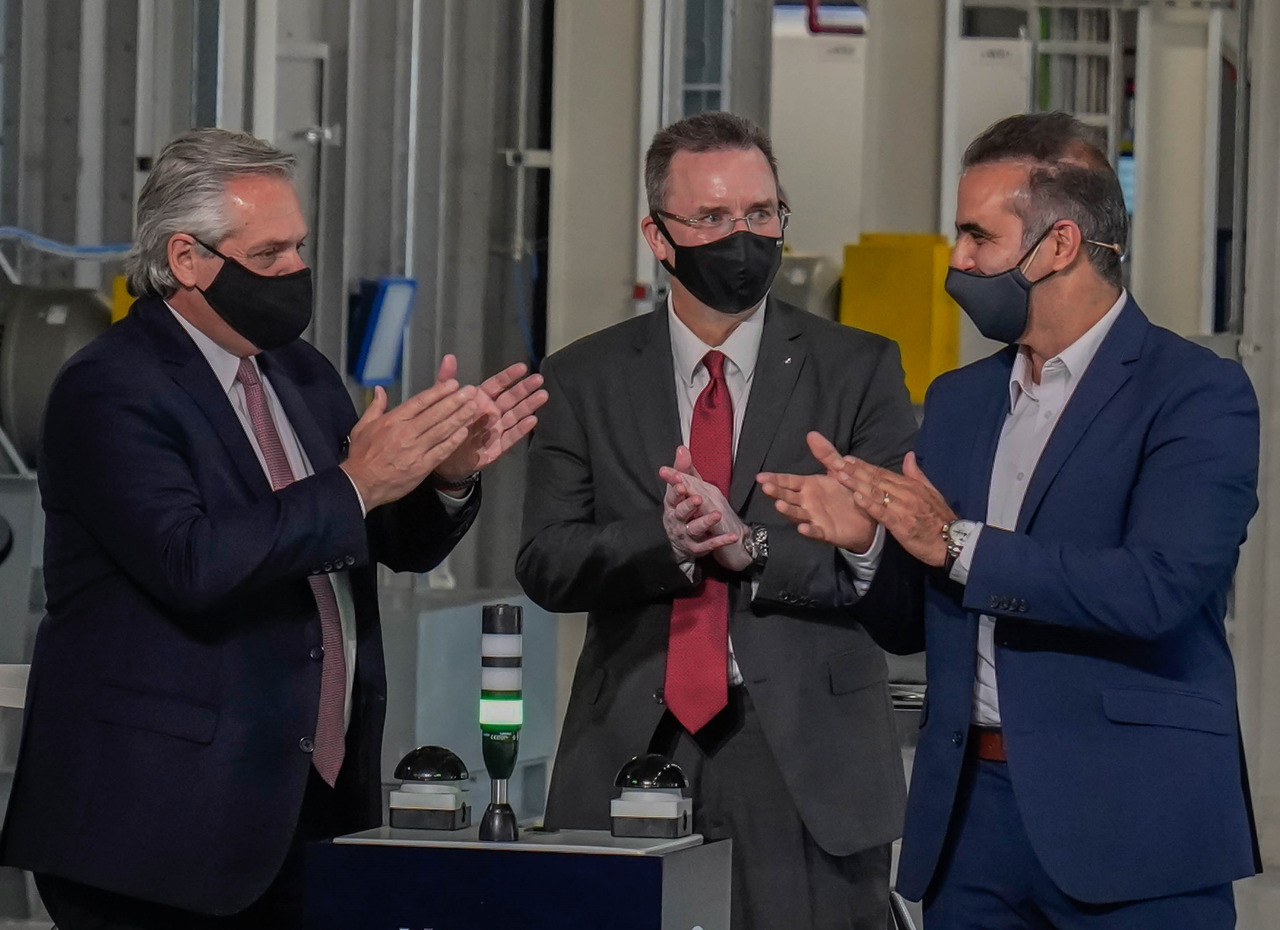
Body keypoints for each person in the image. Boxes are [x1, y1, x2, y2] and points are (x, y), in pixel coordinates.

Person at [0, 128, 546, 928]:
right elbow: (192, 563)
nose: (295, 270)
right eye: (268, 254)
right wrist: (358, 481)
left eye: (299, 247)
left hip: (305, 805)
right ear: (186, 259)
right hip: (159, 831)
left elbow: (379, 539)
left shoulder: (299, 372)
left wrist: (446, 475)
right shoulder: (110, 387)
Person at [759, 111, 1262, 929]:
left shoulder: (1196, 392)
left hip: (1133, 822)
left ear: (1058, 245)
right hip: (972, 827)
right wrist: (869, 545)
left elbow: (1157, 590)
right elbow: (920, 619)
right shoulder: (960, 401)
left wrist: (954, 543)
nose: (957, 261)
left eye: (977, 236)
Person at [516, 111, 917, 930]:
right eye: (712, 217)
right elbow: (546, 559)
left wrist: (753, 547)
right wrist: (663, 543)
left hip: (806, 756)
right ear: (658, 237)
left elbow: (892, 570)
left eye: (761, 213)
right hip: (632, 743)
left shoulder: (859, 369)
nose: (743, 236)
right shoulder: (582, 376)